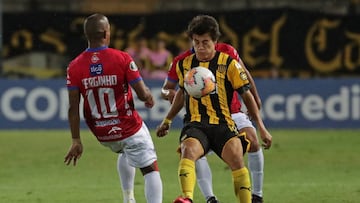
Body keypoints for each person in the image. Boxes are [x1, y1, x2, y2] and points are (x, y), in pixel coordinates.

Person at [156, 15, 272, 203]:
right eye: (196, 42)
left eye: (205, 42)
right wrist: (167, 118)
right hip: (197, 121)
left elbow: (246, 89)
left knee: (243, 152)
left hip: (228, 117)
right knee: (189, 150)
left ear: (215, 41)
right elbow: (177, 91)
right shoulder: (183, 63)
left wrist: (261, 125)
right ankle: (196, 198)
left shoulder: (228, 59)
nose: (200, 47)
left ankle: (255, 196)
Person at [64, 13, 163, 203]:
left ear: (87, 35)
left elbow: (73, 107)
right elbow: (142, 94)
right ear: (105, 33)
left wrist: (76, 139)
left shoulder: (74, 66)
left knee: (126, 150)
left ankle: (128, 198)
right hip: (127, 126)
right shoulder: (122, 58)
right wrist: (149, 97)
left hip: (103, 133)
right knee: (150, 168)